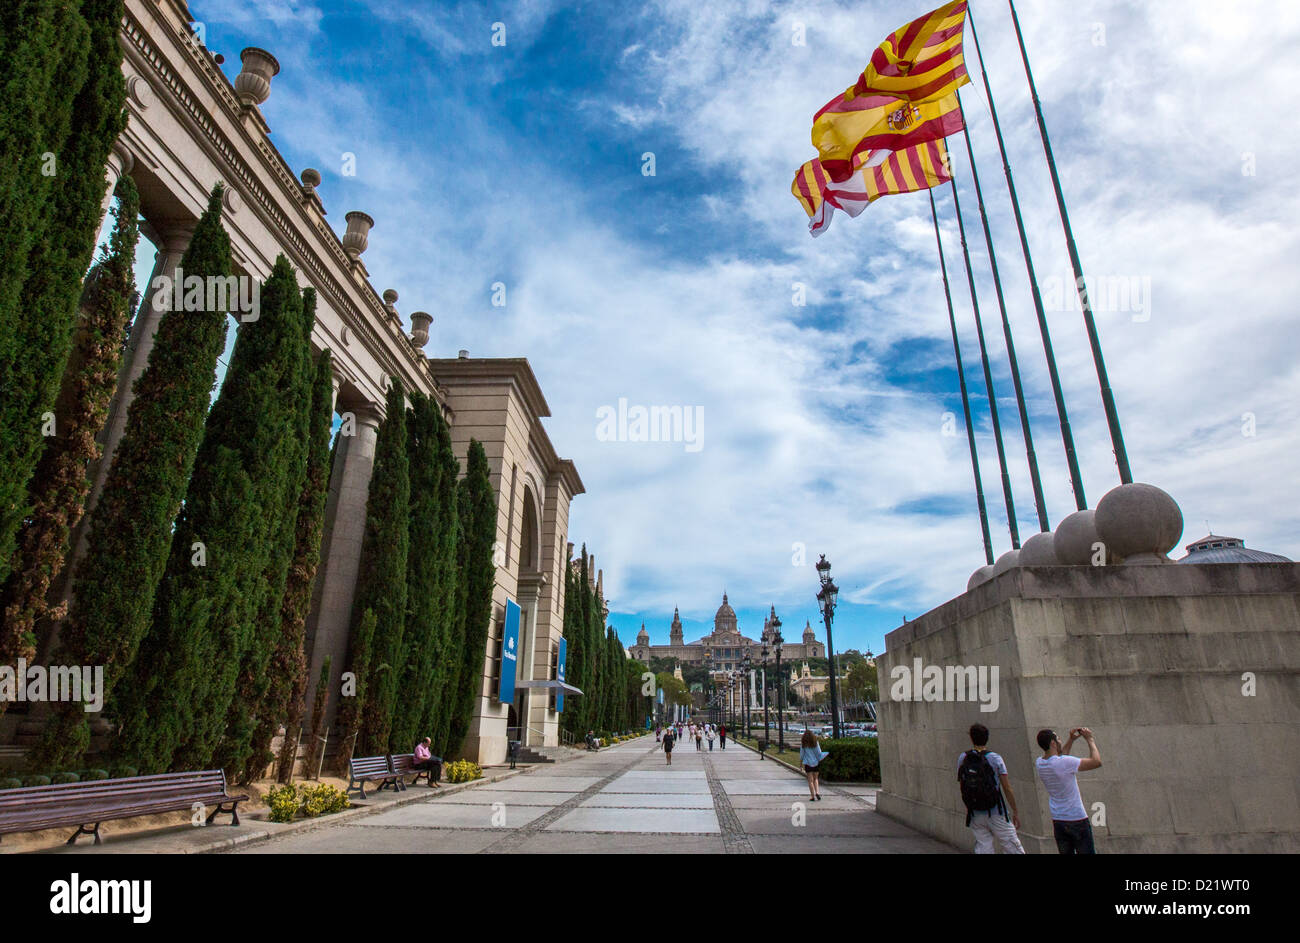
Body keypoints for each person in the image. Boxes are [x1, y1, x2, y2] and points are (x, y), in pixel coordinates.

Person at [957, 723, 1024, 854]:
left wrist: (969, 804)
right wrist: (1015, 810)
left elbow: (962, 784)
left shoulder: (963, 757)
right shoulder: (995, 758)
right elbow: (1006, 787)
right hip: (996, 811)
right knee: (1012, 847)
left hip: (975, 812)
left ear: (971, 738)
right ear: (987, 738)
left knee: (983, 848)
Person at [1036, 726, 1102, 854]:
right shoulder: (1064, 763)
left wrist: (1071, 740)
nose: (1061, 741)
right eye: (1058, 739)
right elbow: (1096, 761)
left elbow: (1059, 758)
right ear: (1053, 743)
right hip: (1077, 819)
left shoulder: (1040, 763)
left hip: (1058, 820)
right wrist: (1090, 739)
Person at [799, 728, 828, 800]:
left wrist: (800, 764)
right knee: (816, 779)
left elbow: (802, 755)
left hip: (808, 764)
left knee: (810, 781)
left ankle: (812, 796)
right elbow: (819, 753)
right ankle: (817, 792)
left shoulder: (803, 744)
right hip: (816, 763)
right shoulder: (815, 743)